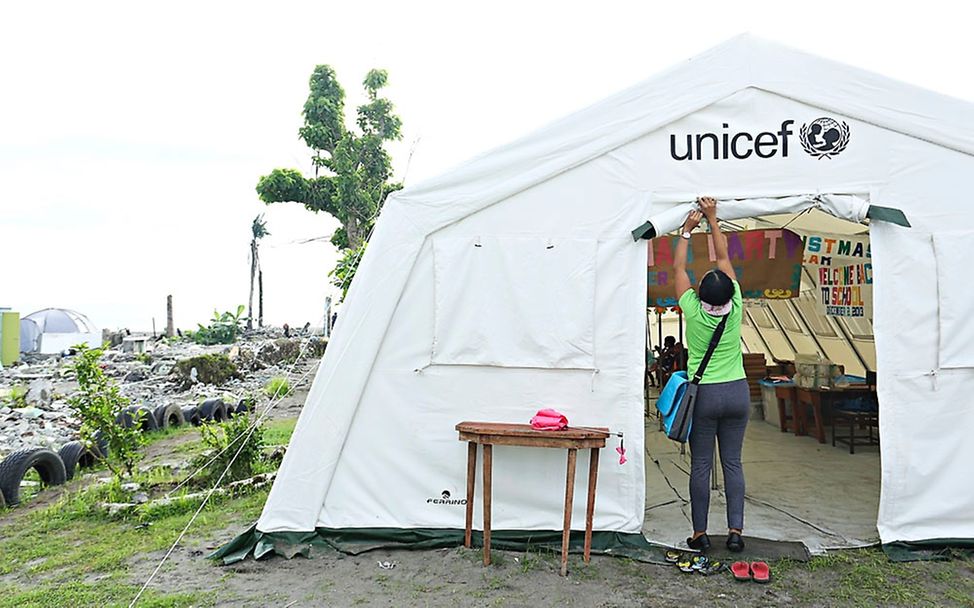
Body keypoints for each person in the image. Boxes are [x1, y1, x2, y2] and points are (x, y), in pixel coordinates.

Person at [672, 196, 748, 553]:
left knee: (701, 465)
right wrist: (714, 220)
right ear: (729, 292)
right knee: (732, 462)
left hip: (704, 396)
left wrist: (686, 232)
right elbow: (723, 258)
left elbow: (678, 271)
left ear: (699, 294)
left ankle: (700, 534)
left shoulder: (691, 310)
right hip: (736, 392)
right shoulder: (736, 307)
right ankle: (735, 532)